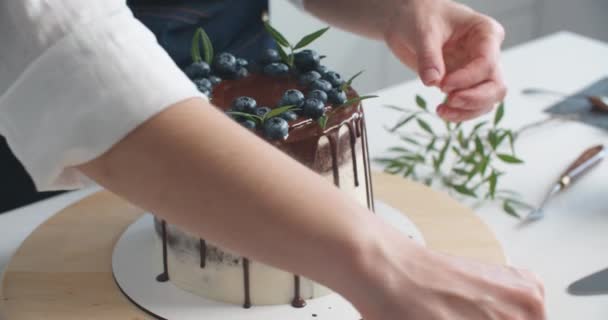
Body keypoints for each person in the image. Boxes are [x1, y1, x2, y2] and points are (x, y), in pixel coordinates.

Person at [0, 0, 545, 319]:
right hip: (25, 182)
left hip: (256, 90)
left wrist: (399, 8)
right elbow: (64, 54)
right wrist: (382, 260)